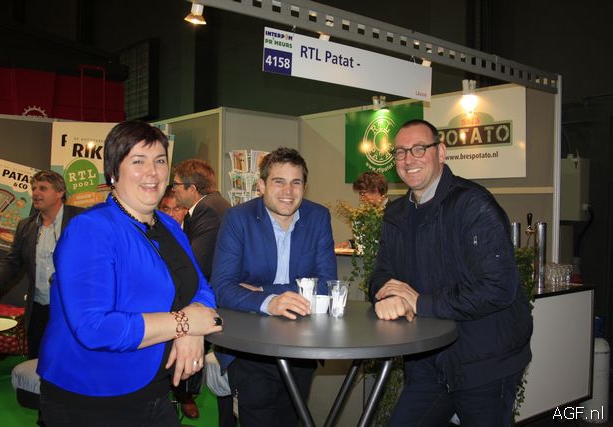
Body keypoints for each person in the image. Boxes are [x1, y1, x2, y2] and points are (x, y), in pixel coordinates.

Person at [36, 120, 223, 427]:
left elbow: (201, 287)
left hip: (154, 389)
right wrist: (183, 323)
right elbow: (95, 327)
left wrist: (192, 330)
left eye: (159, 161)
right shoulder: (91, 229)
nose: (153, 172)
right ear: (113, 172)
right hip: (92, 396)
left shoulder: (170, 226)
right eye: (138, 161)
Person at [369, 119, 533, 426]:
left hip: (484, 362)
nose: (408, 159)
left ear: (441, 152)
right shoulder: (396, 213)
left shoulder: (472, 204)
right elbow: (381, 274)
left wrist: (419, 302)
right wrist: (388, 295)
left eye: (419, 148)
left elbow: (498, 287)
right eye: (400, 152)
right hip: (427, 361)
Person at [211, 147, 337, 427]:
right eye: (279, 181)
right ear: (261, 185)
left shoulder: (318, 217)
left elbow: (326, 286)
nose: (288, 191)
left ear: (304, 187)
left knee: (292, 419)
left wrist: (264, 292)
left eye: (296, 182)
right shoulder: (238, 219)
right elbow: (221, 286)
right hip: (249, 346)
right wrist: (271, 303)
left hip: (301, 344)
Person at [0, 170, 83, 359]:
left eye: (43, 188)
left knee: (71, 360)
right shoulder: (25, 226)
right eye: (34, 188)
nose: (36, 193)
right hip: (38, 307)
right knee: (37, 360)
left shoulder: (81, 219)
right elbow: (13, 260)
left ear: (60, 192)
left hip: (72, 307)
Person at [171, 159, 232, 421]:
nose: (173, 190)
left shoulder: (208, 209)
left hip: (212, 295)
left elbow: (196, 261)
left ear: (192, 188)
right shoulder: (210, 206)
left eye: (176, 185)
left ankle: (185, 393)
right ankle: (185, 392)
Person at [336, 171, 389, 249]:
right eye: (360, 194)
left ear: (376, 190)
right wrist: (350, 244)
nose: (361, 198)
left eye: (363, 193)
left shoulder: (396, 212)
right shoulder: (365, 212)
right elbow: (367, 240)